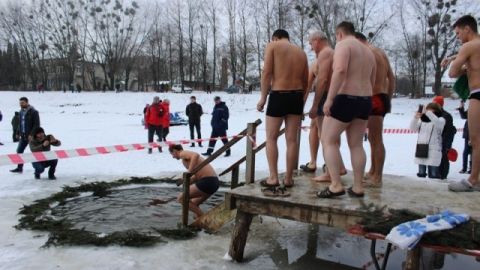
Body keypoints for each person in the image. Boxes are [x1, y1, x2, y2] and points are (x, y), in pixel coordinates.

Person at [317, 21, 376, 198]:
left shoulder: (344, 45)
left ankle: (336, 185)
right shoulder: (368, 51)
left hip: (345, 98)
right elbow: (372, 80)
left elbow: (340, 70)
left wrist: (329, 99)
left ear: (339, 34)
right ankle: (358, 187)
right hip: (365, 99)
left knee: (328, 140)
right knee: (356, 144)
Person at [256, 29, 308, 195]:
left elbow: (267, 73)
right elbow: (306, 81)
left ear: (275, 37)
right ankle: (289, 178)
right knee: (292, 140)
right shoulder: (301, 52)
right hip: (297, 97)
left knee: (271, 138)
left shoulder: (273, 46)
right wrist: (302, 101)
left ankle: (273, 177)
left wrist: (263, 98)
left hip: (279, 95)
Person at [442, 15, 480, 191]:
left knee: (475, 139)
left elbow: (452, 73)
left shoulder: (468, 46)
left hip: (477, 94)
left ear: (467, 29)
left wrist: (461, 65)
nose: (458, 37)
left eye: (458, 33)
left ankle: (473, 179)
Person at [305, 30, 347, 182]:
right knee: (330, 137)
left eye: (311, 43)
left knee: (325, 137)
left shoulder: (325, 53)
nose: (311, 47)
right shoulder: (331, 52)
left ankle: (330, 172)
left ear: (317, 40)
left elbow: (322, 80)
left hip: (326, 96)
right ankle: (339, 167)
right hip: (332, 96)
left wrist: (315, 105)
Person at [355, 32, 395, 187]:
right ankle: (373, 171)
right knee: (372, 138)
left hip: (374, 98)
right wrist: (389, 98)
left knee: (376, 139)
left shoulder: (366, 53)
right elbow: (391, 77)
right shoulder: (380, 52)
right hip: (381, 96)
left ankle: (377, 177)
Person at [169, 144, 219, 218]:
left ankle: (204, 218)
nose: (173, 157)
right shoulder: (185, 159)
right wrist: (186, 181)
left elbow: (195, 155)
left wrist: (189, 171)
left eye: (172, 154)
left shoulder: (182, 153)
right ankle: (199, 223)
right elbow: (197, 176)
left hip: (208, 181)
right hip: (214, 182)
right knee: (193, 204)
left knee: (181, 199)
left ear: (175, 151)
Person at [410, 103, 445, 179]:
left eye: (430, 110)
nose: (428, 112)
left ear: (435, 110)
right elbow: (412, 128)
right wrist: (416, 118)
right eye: (427, 110)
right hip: (422, 149)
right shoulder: (423, 121)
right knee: (421, 174)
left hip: (434, 150)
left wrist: (427, 113)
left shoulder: (441, 119)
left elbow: (437, 123)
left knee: (433, 175)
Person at [10, 97, 40, 173]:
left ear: (27, 102)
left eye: (22, 103)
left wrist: (32, 134)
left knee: (35, 152)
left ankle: (38, 169)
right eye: (20, 103)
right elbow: (20, 124)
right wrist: (17, 133)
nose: (21, 104)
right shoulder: (21, 112)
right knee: (19, 151)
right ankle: (19, 168)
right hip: (23, 136)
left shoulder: (34, 112)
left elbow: (37, 125)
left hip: (31, 137)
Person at [431, 95, 456, 179]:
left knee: (443, 158)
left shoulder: (446, 116)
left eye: (435, 103)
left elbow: (449, 131)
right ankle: (434, 173)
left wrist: (445, 143)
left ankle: (443, 174)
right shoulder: (433, 115)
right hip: (434, 141)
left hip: (444, 141)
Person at [458, 101, 472, 174]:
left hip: (474, 134)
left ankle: (471, 169)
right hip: (467, 134)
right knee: (466, 152)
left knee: (473, 152)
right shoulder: (471, 108)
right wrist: (461, 107)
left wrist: (472, 137)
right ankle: (464, 168)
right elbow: (464, 116)